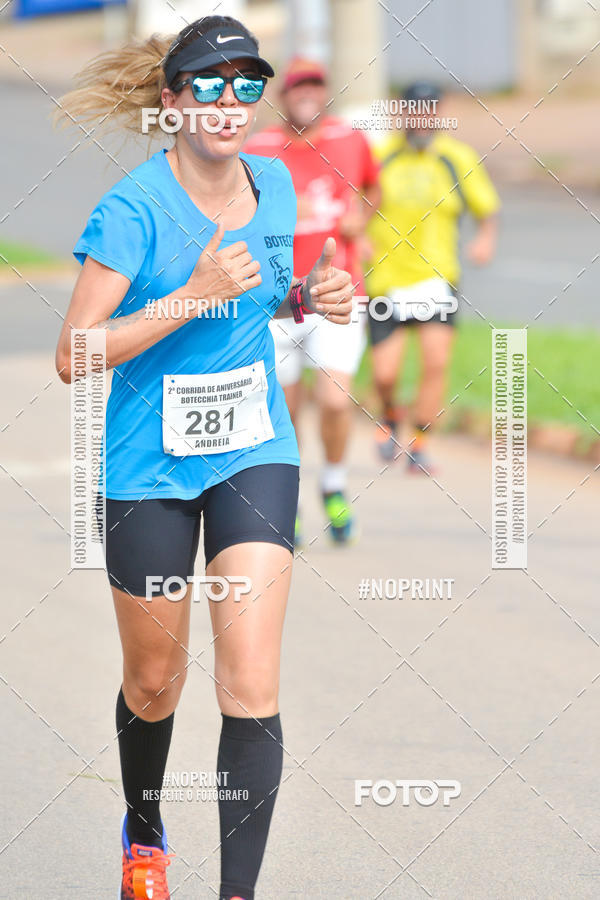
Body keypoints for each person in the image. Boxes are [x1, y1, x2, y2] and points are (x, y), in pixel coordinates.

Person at [55, 16, 353, 900]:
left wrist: (312, 294)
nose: (231, 103)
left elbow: (262, 296)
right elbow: (76, 354)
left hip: (255, 454)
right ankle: (144, 837)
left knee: (249, 680)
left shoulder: (276, 186)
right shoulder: (132, 210)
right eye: (210, 86)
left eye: (247, 84)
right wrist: (188, 295)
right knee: (154, 680)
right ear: (174, 100)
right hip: (148, 469)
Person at [245, 58, 380, 545]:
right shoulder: (258, 148)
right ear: (284, 96)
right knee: (284, 406)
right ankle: (292, 498)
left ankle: (335, 485)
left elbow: (372, 187)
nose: (307, 93)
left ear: (324, 92)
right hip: (278, 298)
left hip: (339, 292)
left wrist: (360, 221)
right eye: (298, 86)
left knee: (335, 400)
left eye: (315, 85)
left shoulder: (350, 139)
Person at [367, 81, 500, 472]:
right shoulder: (381, 156)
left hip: (436, 277)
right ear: (402, 112)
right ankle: (391, 413)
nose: (420, 118)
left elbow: (486, 208)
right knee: (385, 373)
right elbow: (356, 201)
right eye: (413, 110)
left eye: (429, 110)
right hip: (385, 280)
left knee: (435, 363)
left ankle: (420, 441)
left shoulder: (456, 158)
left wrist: (485, 240)